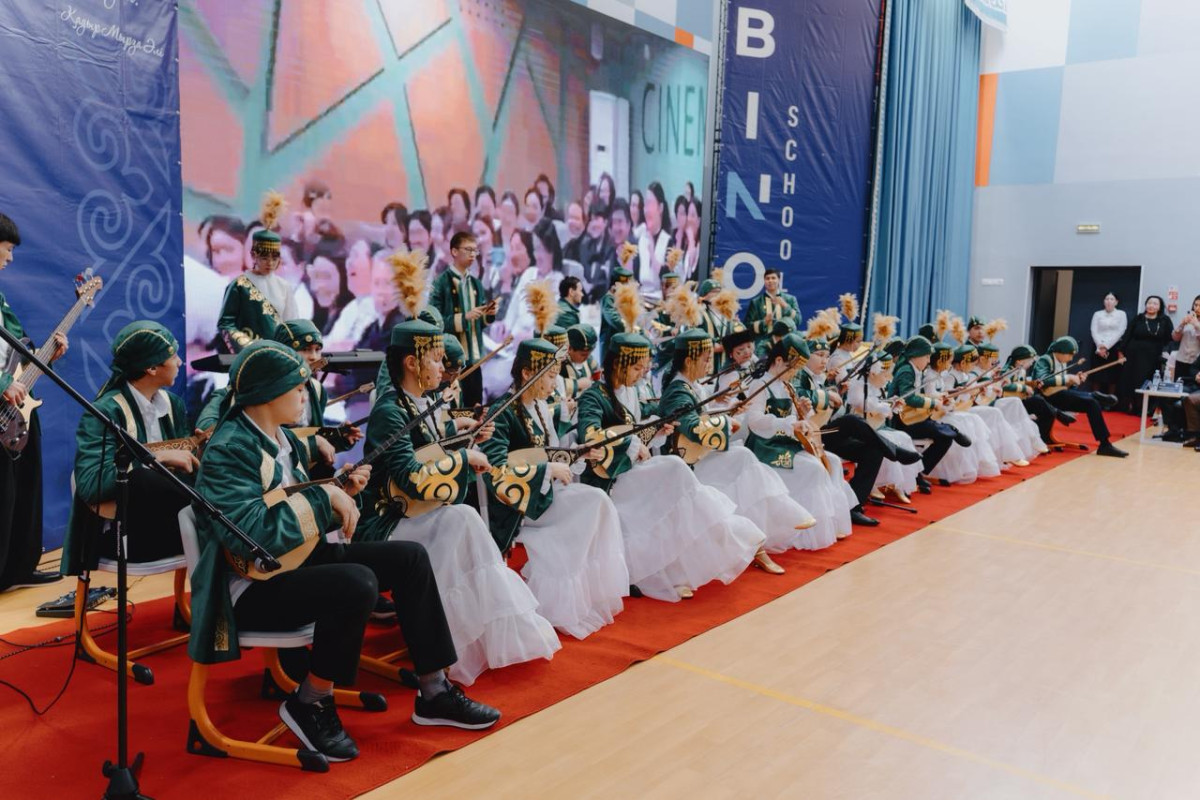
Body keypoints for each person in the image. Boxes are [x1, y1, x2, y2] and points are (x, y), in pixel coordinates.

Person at [189, 339, 500, 763]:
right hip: (249, 587)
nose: (305, 393)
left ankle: (434, 691)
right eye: (297, 387)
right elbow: (250, 536)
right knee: (358, 583)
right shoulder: (230, 449)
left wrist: (341, 489)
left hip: (293, 562)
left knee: (410, 558)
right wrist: (325, 499)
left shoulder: (279, 437)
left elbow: (289, 502)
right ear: (267, 394)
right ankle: (311, 700)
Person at [355, 320, 561, 683]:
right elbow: (412, 478)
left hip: (418, 514)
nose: (442, 368)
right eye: (435, 360)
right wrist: (464, 458)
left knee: (461, 520)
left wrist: (467, 437)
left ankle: (460, 635)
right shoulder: (390, 410)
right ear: (411, 363)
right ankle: (451, 640)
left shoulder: (422, 402)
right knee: (461, 518)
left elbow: (434, 449)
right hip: (387, 520)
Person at [576, 332, 764, 600]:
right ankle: (723, 529)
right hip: (609, 477)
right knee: (674, 468)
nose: (641, 374)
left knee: (674, 478)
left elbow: (638, 427)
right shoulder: (594, 396)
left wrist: (656, 429)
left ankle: (686, 557)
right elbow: (591, 435)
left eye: (644, 368)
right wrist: (632, 442)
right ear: (619, 364)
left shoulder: (630, 391)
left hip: (632, 469)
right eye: (637, 367)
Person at [478, 337, 629, 638]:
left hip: (545, 494)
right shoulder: (503, 411)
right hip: (519, 506)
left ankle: (574, 599)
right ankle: (558, 603)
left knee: (597, 502)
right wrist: (547, 470)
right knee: (592, 503)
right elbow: (495, 471)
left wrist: (580, 452)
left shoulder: (539, 408)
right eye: (549, 376)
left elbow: (554, 452)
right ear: (526, 373)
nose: (554, 383)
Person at [658, 328, 817, 573]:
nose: (710, 364)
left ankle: (763, 533)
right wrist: (725, 421)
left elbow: (703, 415)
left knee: (743, 461)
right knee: (743, 460)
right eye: (706, 359)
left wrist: (729, 411)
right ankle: (771, 521)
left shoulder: (692, 385)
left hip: (701, 454)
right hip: (687, 461)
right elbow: (692, 427)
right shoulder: (678, 390)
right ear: (689, 361)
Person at [62, 321, 195, 577]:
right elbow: (89, 484)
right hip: (126, 533)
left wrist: (197, 451)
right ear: (152, 368)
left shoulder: (174, 404)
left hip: (172, 519)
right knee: (144, 478)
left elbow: (184, 469)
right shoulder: (104, 412)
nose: (180, 362)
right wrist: (158, 457)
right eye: (173, 356)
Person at [0, 212, 68, 591]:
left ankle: (20, 567)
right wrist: (1, 383)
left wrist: (46, 356)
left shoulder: (0, 299)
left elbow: (17, 350)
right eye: (7, 248)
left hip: (14, 408)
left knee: (25, 487)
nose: (10, 258)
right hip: (2, 398)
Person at [742, 333, 850, 546]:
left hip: (786, 442)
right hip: (766, 445)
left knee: (832, 461)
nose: (794, 374)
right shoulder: (760, 384)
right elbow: (753, 420)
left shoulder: (787, 386)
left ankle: (828, 522)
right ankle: (801, 531)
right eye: (792, 369)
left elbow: (796, 420)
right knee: (814, 468)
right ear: (778, 360)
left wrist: (803, 412)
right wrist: (787, 423)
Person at [216, 192, 300, 353]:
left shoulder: (284, 287)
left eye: (275, 257)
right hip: (247, 356)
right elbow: (226, 324)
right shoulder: (239, 285)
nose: (270, 262)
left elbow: (293, 325)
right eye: (264, 257)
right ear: (254, 255)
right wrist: (248, 347)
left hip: (279, 356)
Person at [429, 232, 497, 407]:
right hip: (451, 363)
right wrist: (463, 318)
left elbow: (480, 323)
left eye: (475, 251)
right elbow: (434, 321)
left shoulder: (476, 283)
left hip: (474, 360)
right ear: (454, 251)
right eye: (468, 250)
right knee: (455, 408)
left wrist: (488, 314)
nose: (473, 254)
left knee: (475, 408)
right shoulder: (441, 283)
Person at [889, 336, 963, 492]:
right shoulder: (907, 371)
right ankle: (919, 472)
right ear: (916, 355)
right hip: (901, 420)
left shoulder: (914, 370)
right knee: (944, 436)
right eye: (927, 356)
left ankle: (920, 472)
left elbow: (919, 395)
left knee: (943, 436)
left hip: (913, 417)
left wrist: (939, 397)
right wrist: (933, 403)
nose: (929, 361)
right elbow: (909, 398)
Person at [1032, 336, 1126, 457]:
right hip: (1045, 398)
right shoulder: (1045, 360)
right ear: (1061, 351)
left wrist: (1074, 381)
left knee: (1092, 404)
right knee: (1089, 400)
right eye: (1070, 355)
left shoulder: (1061, 361)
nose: (1071, 358)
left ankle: (1105, 444)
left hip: (1059, 395)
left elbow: (1064, 385)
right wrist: (1068, 378)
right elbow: (1041, 380)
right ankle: (1093, 395)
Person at [1116, 295, 1173, 413]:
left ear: (1160, 307)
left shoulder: (1165, 320)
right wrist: (1121, 351)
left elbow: (1169, 338)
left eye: (1155, 303)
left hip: (1154, 356)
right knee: (1132, 379)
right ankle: (1131, 406)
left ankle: (1145, 408)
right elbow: (1127, 335)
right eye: (1149, 303)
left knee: (1148, 380)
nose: (1151, 305)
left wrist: (1167, 352)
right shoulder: (1138, 318)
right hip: (1134, 354)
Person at [565, 203, 614, 303]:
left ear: (605, 222)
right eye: (591, 220)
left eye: (596, 219)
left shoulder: (612, 249)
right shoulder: (584, 247)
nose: (593, 224)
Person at [744, 268, 799, 345]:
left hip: (787, 343)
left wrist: (785, 306)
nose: (770, 281)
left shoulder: (790, 299)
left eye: (773, 278)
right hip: (764, 344)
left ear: (779, 280)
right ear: (764, 281)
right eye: (767, 278)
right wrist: (764, 322)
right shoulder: (756, 302)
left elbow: (798, 320)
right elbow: (747, 326)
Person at [637, 182, 672, 299]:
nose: (646, 210)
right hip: (641, 299)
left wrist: (652, 253)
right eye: (645, 204)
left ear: (660, 208)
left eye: (650, 203)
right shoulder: (641, 239)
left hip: (659, 302)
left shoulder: (668, 241)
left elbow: (668, 280)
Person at [1090, 292, 1127, 395]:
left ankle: (1110, 400)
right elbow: (1094, 330)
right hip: (1098, 347)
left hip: (1114, 347)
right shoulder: (1097, 314)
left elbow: (1121, 331)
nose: (1109, 301)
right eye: (1107, 299)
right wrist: (1100, 346)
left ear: (1116, 302)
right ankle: (1094, 399)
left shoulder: (1121, 314)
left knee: (1112, 376)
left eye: (1112, 299)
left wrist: (1106, 346)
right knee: (1096, 375)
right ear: (1104, 301)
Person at [1171, 295, 1200, 382]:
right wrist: (1182, 324)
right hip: (1181, 360)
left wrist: (1197, 325)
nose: (1197, 308)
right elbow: (1175, 338)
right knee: (1178, 385)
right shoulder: (1189, 318)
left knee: (1193, 388)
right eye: (1196, 305)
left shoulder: (1194, 322)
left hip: (1196, 363)